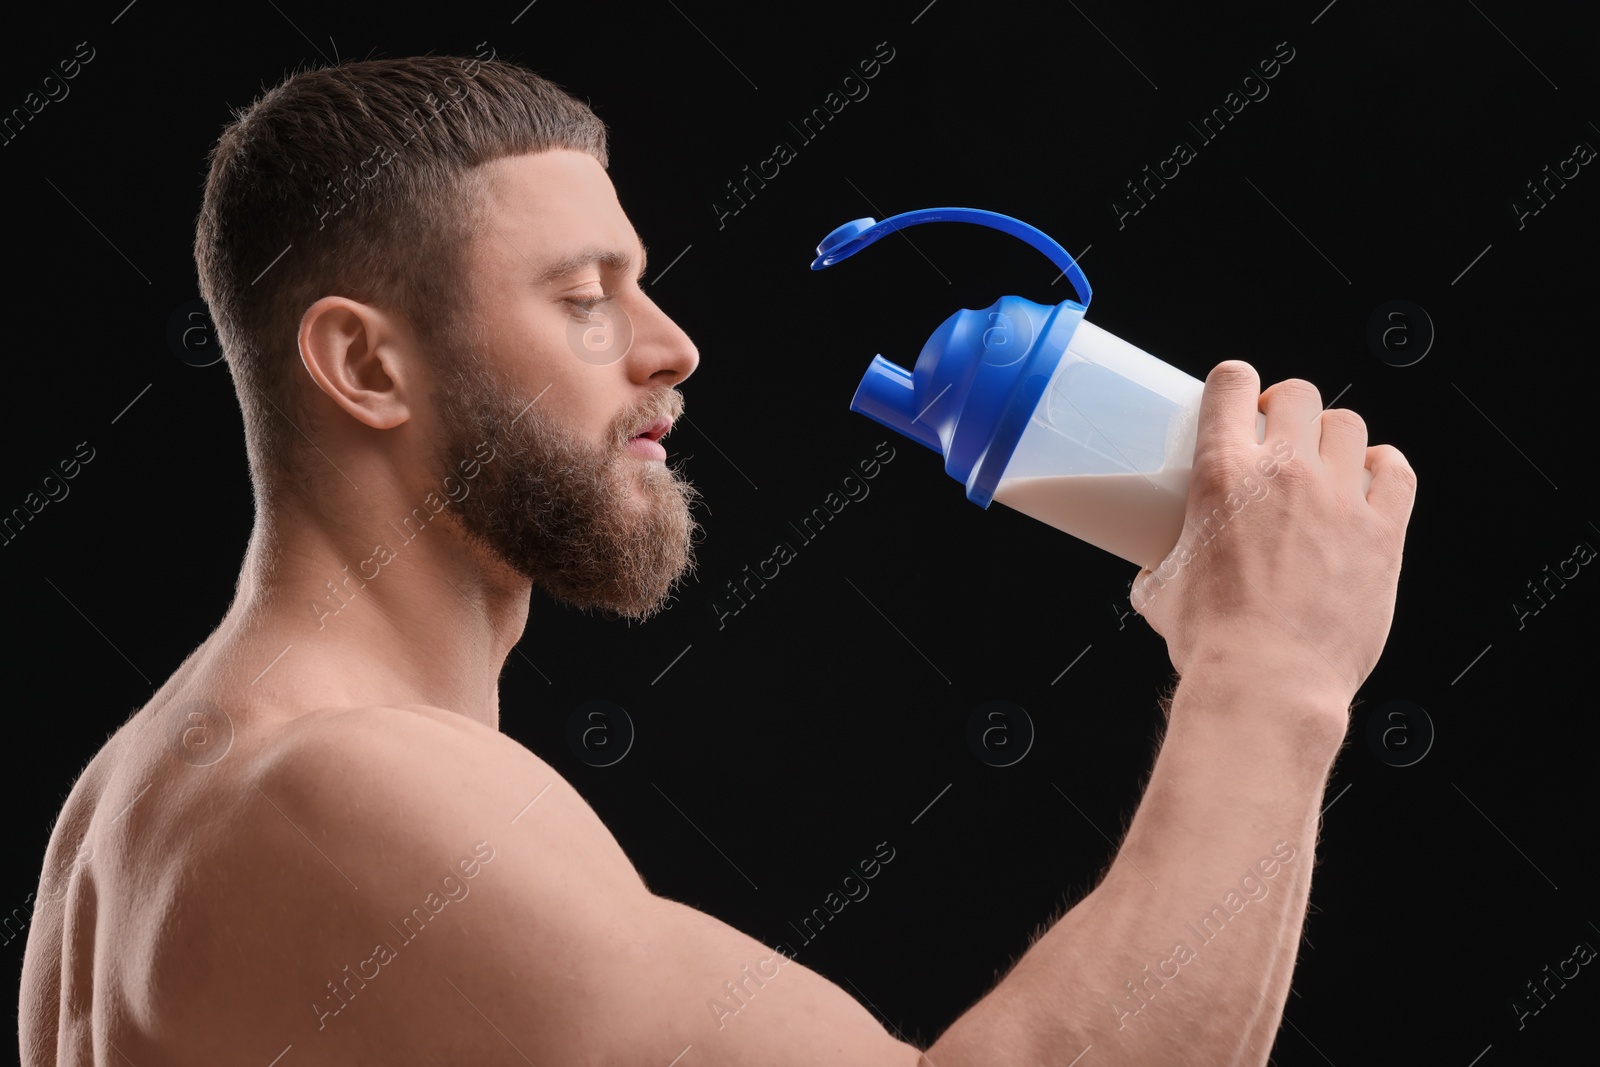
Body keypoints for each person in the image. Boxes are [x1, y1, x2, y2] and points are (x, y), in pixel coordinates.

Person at [18, 55, 1416, 1067]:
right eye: (581, 298)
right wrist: (1270, 673)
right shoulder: (338, 791)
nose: (671, 345)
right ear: (365, 364)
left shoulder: (140, 793)